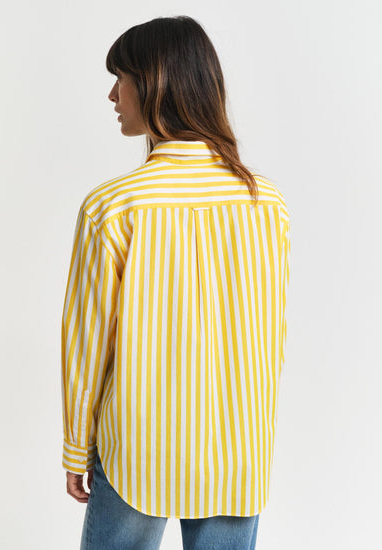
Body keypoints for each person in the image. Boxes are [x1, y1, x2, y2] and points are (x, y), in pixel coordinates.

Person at [61, 15, 290, 550]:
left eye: (121, 79)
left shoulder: (113, 207)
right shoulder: (266, 204)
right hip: (237, 448)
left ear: (155, 83)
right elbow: (271, 338)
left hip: (137, 449)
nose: (112, 96)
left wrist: (76, 446)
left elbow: (87, 344)